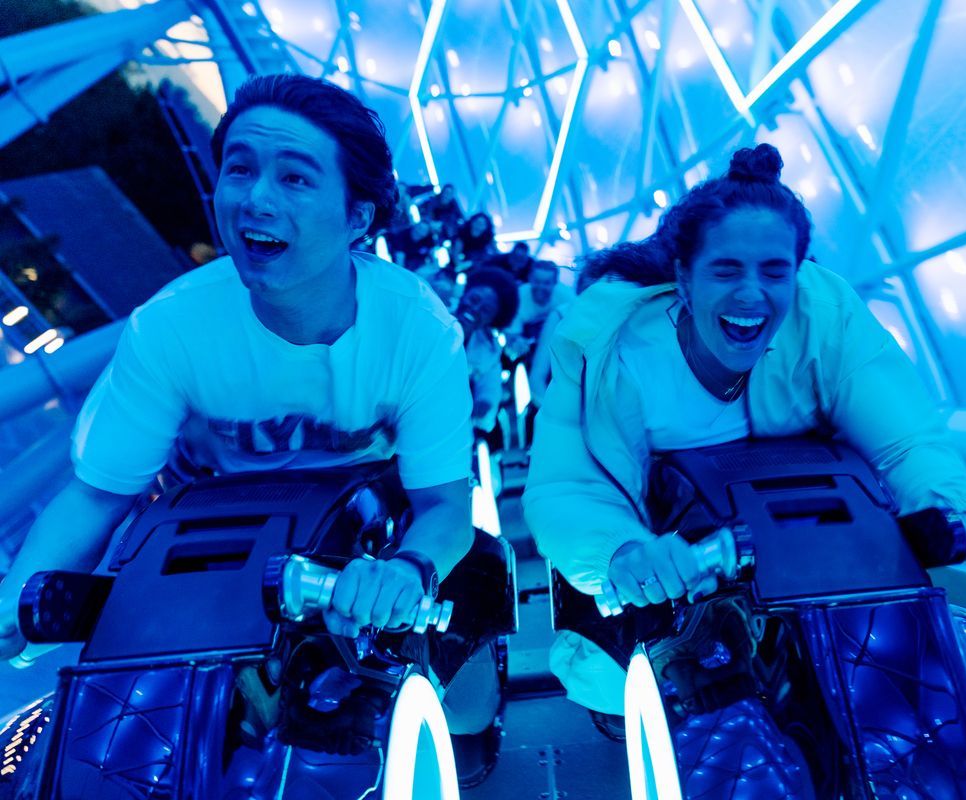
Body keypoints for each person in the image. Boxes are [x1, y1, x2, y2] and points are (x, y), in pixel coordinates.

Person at [0, 73, 497, 742]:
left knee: (464, 703)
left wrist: (407, 569)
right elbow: (99, 495)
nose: (255, 199)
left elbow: (442, 505)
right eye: (239, 169)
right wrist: (17, 603)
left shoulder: (416, 330)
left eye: (295, 179)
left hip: (367, 537)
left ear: (359, 217)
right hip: (212, 545)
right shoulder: (171, 328)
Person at [522, 144, 966, 716]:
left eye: (774, 272)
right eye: (726, 269)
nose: (751, 294)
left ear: (799, 273)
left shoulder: (825, 317)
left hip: (826, 563)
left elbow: (907, 444)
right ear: (683, 278)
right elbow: (568, 486)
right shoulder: (609, 350)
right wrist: (623, 552)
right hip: (681, 576)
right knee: (619, 681)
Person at [455, 267, 519, 435]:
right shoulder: (433, 315)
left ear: (492, 320)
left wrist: (480, 406)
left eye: (486, 310)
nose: (475, 309)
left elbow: (489, 393)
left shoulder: (489, 350)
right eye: (474, 299)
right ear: (465, 294)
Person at [504, 260, 573, 359]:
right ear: (530, 279)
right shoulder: (518, 297)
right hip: (527, 349)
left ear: (555, 283)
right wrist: (516, 342)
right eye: (537, 281)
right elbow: (511, 334)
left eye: (546, 283)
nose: (541, 287)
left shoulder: (567, 297)